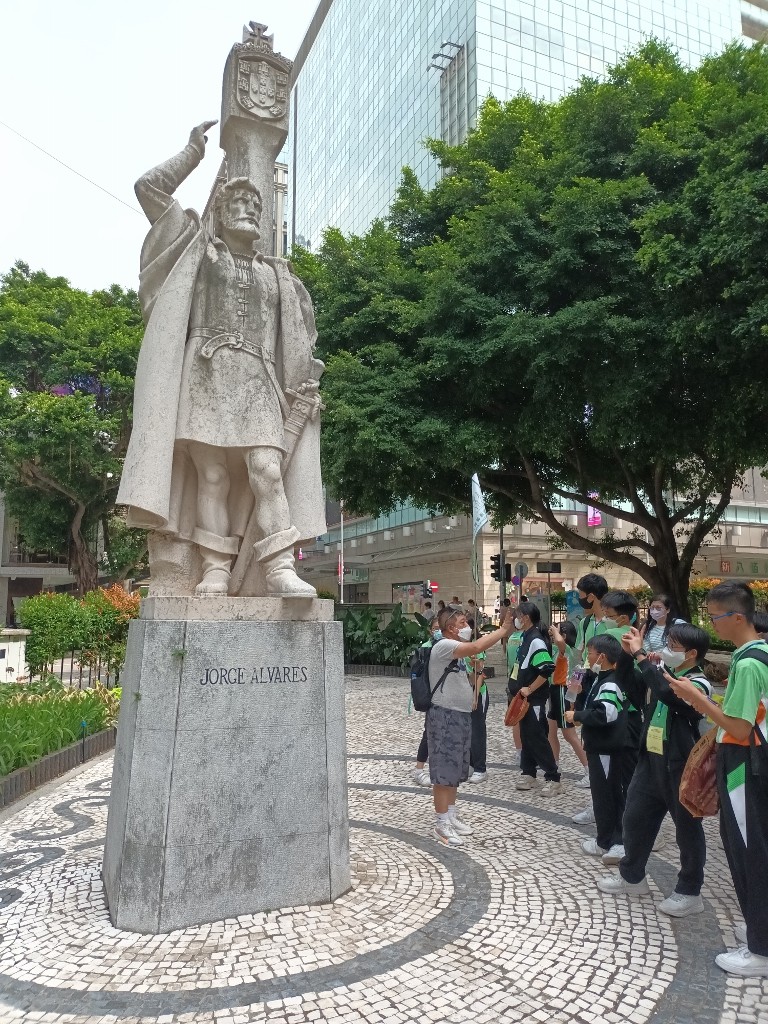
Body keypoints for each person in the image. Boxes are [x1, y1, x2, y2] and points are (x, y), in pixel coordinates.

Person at [117, 122, 325, 598]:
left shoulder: (279, 277)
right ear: (220, 212)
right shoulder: (200, 254)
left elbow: (297, 344)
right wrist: (192, 153)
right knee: (211, 476)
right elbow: (148, 188)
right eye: (238, 204)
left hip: (258, 379)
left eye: (255, 205)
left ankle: (279, 566)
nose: (249, 210)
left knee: (266, 470)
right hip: (205, 373)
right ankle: (215, 567)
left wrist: (304, 387)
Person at [670, 581, 768, 977]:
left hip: (746, 763)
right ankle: (760, 928)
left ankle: (760, 948)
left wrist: (696, 698)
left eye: (715, 617)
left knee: (748, 849)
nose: (711, 624)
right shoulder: (759, 653)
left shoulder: (748, 664)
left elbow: (739, 727)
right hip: (753, 761)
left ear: (738, 617)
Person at [597, 623, 712, 917]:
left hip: (681, 765)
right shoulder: (663, 674)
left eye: (673, 645)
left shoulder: (699, 684)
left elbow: (667, 694)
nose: (666, 649)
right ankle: (632, 876)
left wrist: (641, 656)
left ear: (692, 653)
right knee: (635, 817)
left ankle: (690, 891)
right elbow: (632, 687)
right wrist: (627, 656)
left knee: (687, 829)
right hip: (651, 760)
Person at [427, 608, 513, 845]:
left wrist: (476, 671)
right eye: (463, 623)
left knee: (455, 768)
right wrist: (503, 630)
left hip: (459, 715)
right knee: (444, 770)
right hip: (445, 716)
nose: (467, 627)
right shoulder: (444, 646)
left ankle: (450, 815)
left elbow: (471, 674)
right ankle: (441, 823)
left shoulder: (457, 653)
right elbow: (476, 646)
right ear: (451, 628)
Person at [566, 634, 626, 862]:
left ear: (602, 656)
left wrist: (577, 715)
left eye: (590, 653)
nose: (587, 657)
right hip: (598, 747)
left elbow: (605, 714)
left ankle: (615, 841)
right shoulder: (600, 679)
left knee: (608, 795)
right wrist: (579, 694)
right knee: (601, 794)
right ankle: (605, 839)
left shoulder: (610, 682)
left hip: (606, 748)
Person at [511, 602, 562, 795]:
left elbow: (547, 669)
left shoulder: (536, 641)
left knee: (537, 737)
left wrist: (530, 688)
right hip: (523, 699)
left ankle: (553, 778)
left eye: (517, 616)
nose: (515, 619)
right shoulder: (526, 637)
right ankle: (528, 772)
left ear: (525, 618)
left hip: (534, 699)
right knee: (526, 736)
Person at [547, 621, 589, 786]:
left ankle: (588, 770)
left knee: (569, 734)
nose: (552, 636)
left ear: (564, 635)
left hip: (562, 691)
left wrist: (555, 631)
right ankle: (555, 766)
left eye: (556, 633)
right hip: (554, 691)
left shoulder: (568, 650)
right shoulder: (557, 649)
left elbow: (559, 641)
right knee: (550, 731)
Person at [411, 616, 441, 787]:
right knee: (428, 733)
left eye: (440, 628)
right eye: (435, 628)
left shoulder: (449, 646)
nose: (438, 631)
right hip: (431, 696)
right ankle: (419, 769)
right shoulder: (425, 648)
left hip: (445, 696)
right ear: (430, 630)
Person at [575, 573, 609, 665]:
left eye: (580, 595)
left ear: (590, 597)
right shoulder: (584, 623)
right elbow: (580, 652)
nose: (579, 599)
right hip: (588, 672)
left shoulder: (612, 623)